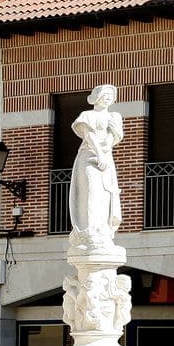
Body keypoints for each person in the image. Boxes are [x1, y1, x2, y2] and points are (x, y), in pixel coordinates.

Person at [69, 84, 123, 248]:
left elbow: (113, 138)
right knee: (91, 192)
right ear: (97, 96)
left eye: (111, 95)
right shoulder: (87, 115)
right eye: (105, 94)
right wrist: (99, 154)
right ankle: (89, 231)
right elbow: (89, 135)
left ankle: (103, 231)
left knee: (105, 194)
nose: (108, 97)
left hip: (106, 158)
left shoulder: (115, 116)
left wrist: (108, 146)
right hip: (88, 156)